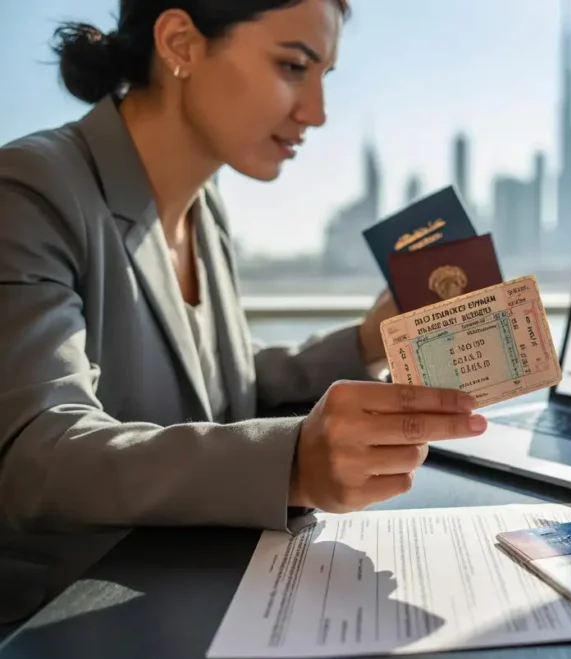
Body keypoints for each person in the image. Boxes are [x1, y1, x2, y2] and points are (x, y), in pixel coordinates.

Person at [0, 0, 487, 623]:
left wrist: (369, 341)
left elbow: (223, 386)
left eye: (323, 78)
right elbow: (38, 455)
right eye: (292, 66)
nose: (316, 112)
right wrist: (289, 465)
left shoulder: (205, 207)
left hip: (186, 587)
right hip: (63, 621)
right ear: (180, 42)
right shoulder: (31, 190)